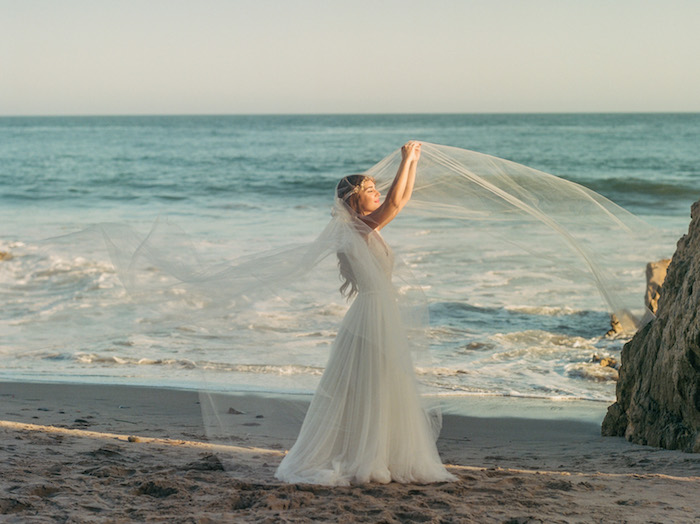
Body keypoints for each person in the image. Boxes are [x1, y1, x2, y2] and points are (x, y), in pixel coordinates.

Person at [275, 141, 456, 485]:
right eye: (370, 190)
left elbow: (399, 201)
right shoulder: (355, 228)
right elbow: (393, 205)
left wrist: (413, 162)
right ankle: (364, 456)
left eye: (376, 188)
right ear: (353, 199)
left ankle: (378, 453)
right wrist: (405, 160)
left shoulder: (367, 228)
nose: (377, 193)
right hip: (372, 314)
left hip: (380, 312)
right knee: (371, 384)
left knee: (384, 384)